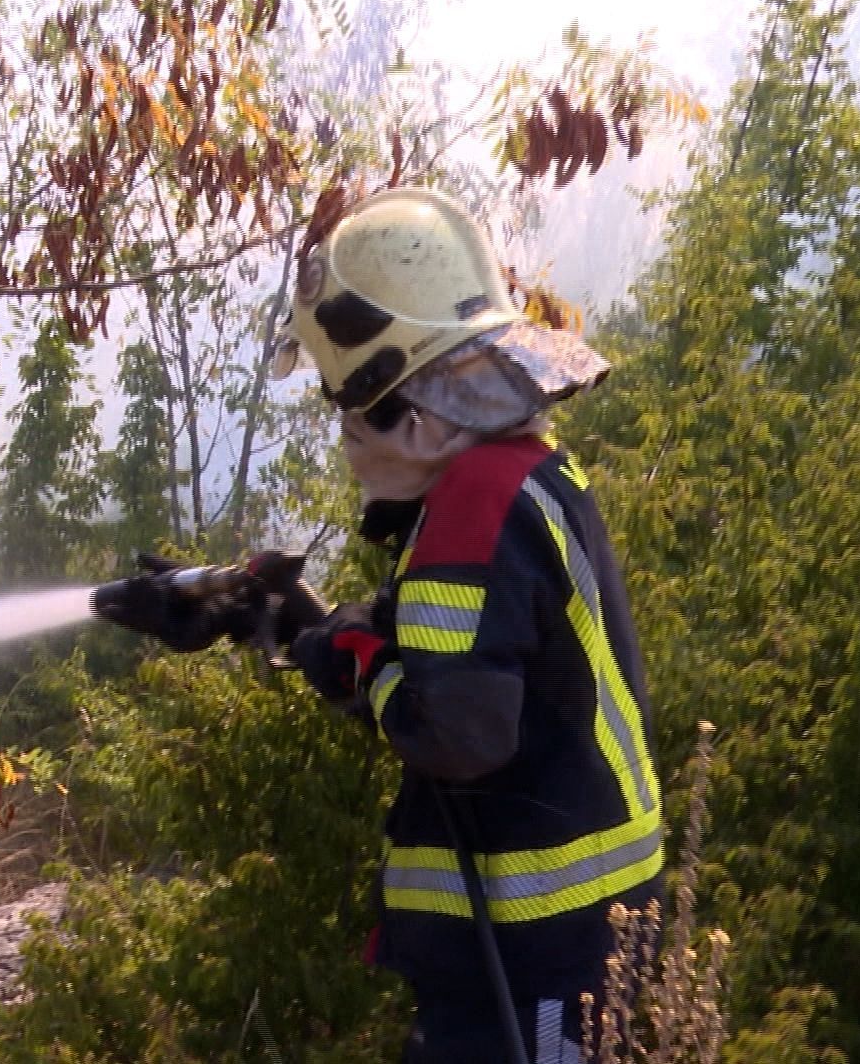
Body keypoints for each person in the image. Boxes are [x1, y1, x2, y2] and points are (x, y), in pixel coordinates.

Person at [272, 188, 664, 1063]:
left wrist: (367, 661)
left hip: (537, 960)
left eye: (348, 415)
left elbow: (460, 731)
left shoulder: (473, 506)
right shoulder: (527, 474)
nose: (344, 444)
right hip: (574, 938)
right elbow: (484, 652)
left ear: (414, 420)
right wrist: (330, 634)